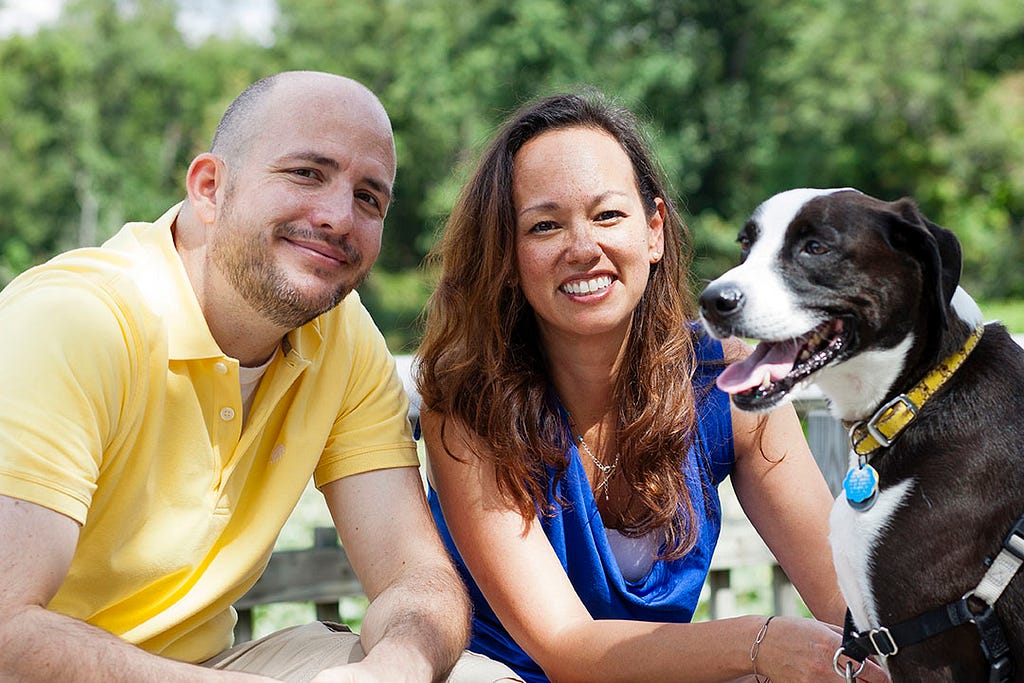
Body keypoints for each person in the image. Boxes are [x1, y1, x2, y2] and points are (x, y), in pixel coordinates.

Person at [0, 71, 520, 683]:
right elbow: (7, 633)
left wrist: (396, 670)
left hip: (208, 665)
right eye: (306, 173)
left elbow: (417, 579)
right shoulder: (73, 320)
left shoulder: (342, 335)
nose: (337, 217)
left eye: (369, 197)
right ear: (211, 187)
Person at [415, 90, 889, 682]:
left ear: (654, 230)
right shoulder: (466, 405)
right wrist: (760, 641)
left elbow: (848, 602)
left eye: (608, 215)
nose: (583, 248)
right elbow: (564, 646)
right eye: (543, 226)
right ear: (507, 256)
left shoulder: (724, 380)